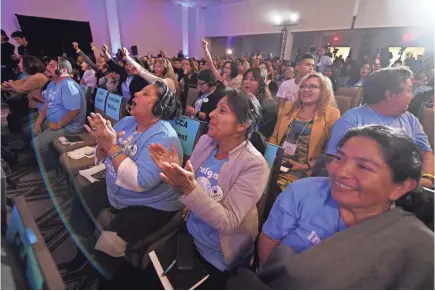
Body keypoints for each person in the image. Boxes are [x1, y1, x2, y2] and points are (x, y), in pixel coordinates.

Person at [229, 125, 433, 290]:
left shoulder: (412, 245)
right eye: (339, 158)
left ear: (401, 187)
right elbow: (269, 240)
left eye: (363, 166)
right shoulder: (302, 192)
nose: (341, 171)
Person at [148, 88, 270, 289]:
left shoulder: (254, 165)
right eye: (215, 108)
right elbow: (185, 194)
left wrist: (189, 187)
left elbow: (228, 223)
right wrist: (175, 174)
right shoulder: (206, 142)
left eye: (222, 111)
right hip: (189, 234)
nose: (211, 113)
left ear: (242, 125)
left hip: (217, 253)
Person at [70, 80, 183, 253]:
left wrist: (110, 146)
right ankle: (83, 250)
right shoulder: (127, 122)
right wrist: (101, 146)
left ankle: (105, 272)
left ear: (159, 106)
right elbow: (102, 157)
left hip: (150, 203)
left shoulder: (164, 138)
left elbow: (140, 183)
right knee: (83, 198)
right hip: (119, 190)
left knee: (110, 243)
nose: (136, 94)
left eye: (145, 93)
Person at [327, 67, 434, 188]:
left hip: (408, 187)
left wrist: (427, 178)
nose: (412, 96)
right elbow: (335, 162)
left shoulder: (410, 119)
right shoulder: (352, 120)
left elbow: (427, 153)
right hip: (366, 187)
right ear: (389, 95)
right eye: (409, 91)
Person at [270, 73, 339, 190]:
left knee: (277, 188)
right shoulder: (289, 107)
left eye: (312, 86)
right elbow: (274, 136)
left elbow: (330, 151)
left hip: (303, 168)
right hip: (278, 162)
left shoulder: (331, 114)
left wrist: (306, 166)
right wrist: (271, 158)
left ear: (323, 91)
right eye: (303, 86)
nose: (306, 90)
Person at [32, 57, 86, 171]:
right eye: (48, 65)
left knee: (37, 144)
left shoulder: (68, 85)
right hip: (53, 121)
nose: (47, 67)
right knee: (31, 131)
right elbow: (47, 104)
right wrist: (38, 122)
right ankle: (49, 160)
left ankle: (53, 173)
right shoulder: (53, 84)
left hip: (69, 127)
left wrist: (59, 124)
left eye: (52, 66)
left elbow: (74, 110)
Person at [2, 56, 49, 137]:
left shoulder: (38, 77)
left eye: (20, 62)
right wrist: (6, 86)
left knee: (13, 114)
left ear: (28, 64)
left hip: (38, 107)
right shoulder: (32, 76)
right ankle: (18, 137)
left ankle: (19, 138)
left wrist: (10, 84)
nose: (18, 64)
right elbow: (18, 84)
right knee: (12, 108)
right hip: (33, 105)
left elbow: (20, 90)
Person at [242, 67, 278, 138]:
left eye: (252, 79)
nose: (247, 82)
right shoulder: (239, 99)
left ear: (261, 84)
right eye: (245, 78)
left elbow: (261, 133)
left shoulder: (269, 105)